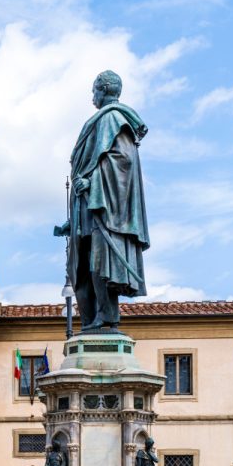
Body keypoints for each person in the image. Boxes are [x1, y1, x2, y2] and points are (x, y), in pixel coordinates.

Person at [54, 70, 150, 331]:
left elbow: (123, 162)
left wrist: (93, 184)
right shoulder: (100, 121)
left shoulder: (113, 120)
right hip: (86, 209)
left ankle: (107, 318)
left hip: (104, 209)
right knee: (81, 268)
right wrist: (72, 219)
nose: (92, 97)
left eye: (93, 91)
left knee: (100, 262)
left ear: (103, 90)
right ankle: (90, 320)